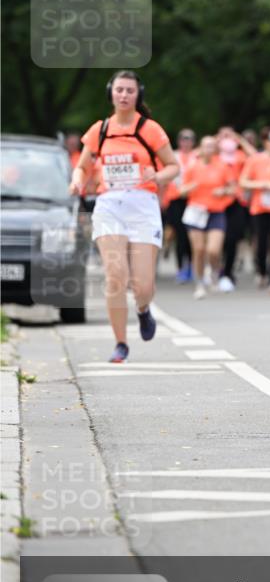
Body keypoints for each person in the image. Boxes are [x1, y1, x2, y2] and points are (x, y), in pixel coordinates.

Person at [68, 71, 179, 363]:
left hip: (143, 204)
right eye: (119, 90)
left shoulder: (150, 129)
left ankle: (143, 310)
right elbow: (82, 166)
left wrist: (157, 174)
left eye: (130, 90)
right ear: (111, 93)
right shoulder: (100, 130)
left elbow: (173, 166)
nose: (124, 95)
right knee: (116, 276)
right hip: (109, 204)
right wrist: (77, 179)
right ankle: (120, 344)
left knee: (143, 285)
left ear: (137, 94)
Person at [181, 135, 235, 299]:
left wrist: (223, 191)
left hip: (216, 212)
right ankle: (199, 283)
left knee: (213, 250)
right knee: (198, 249)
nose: (209, 149)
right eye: (206, 146)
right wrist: (191, 186)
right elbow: (181, 191)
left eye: (212, 146)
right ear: (201, 148)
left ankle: (213, 272)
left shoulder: (222, 166)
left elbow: (233, 188)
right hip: (196, 212)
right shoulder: (192, 167)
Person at [240, 127, 270, 287]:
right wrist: (261, 184)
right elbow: (243, 182)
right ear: (265, 142)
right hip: (259, 207)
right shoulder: (255, 159)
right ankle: (261, 271)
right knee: (261, 241)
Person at [217, 127, 256, 291]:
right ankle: (216, 268)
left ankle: (228, 271)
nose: (227, 139)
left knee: (232, 239)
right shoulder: (214, 157)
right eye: (224, 136)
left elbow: (256, 156)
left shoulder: (240, 156)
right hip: (217, 203)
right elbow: (198, 154)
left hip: (237, 202)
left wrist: (239, 138)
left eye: (229, 136)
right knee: (218, 240)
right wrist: (216, 138)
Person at [161, 128, 196, 282]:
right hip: (175, 199)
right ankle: (181, 267)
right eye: (183, 138)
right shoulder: (173, 156)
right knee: (180, 234)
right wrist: (162, 198)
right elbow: (164, 178)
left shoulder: (197, 157)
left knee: (193, 235)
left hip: (193, 199)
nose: (186, 142)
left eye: (189, 139)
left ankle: (193, 265)